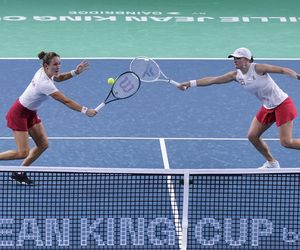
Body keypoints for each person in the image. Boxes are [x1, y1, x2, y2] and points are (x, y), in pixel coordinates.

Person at [178, 47, 300, 169]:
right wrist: (190, 83)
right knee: (252, 136)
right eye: (234, 58)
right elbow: (213, 80)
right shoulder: (236, 75)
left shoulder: (258, 68)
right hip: (267, 107)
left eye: (237, 58)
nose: (234, 61)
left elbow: (282, 70)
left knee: (286, 142)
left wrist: (297, 76)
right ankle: (272, 162)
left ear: (246, 60)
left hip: (282, 105)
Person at [0, 51, 97, 185]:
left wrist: (75, 72)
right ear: (46, 65)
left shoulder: (44, 71)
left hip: (30, 113)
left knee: (43, 145)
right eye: (55, 64)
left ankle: (20, 173)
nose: (58, 67)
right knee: (23, 152)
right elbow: (66, 101)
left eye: (59, 64)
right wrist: (86, 111)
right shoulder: (44, 83)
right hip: (18, 113)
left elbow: (58, 78)